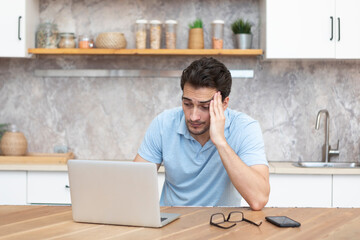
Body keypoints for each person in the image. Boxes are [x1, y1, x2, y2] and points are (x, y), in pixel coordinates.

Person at [134, 57, 270, 210]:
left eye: (204, 107)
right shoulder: (164, 123)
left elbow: (258, 199)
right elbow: (133, 185)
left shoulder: (244, 128)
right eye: (187, 104)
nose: (193, 116)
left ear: (224, 104)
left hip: (220, 224)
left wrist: (220, 142)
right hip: (170, 224)